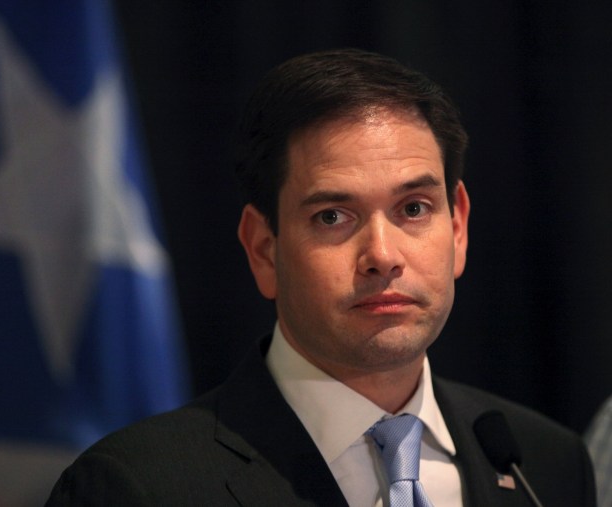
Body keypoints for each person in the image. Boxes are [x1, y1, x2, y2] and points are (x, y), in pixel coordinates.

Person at [45, 48, 596, 506]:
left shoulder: (544, 463)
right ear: (264, 250)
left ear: (458, 228)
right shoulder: (137, 487)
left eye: (413, 209)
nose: (382, 255)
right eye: (333, 216)